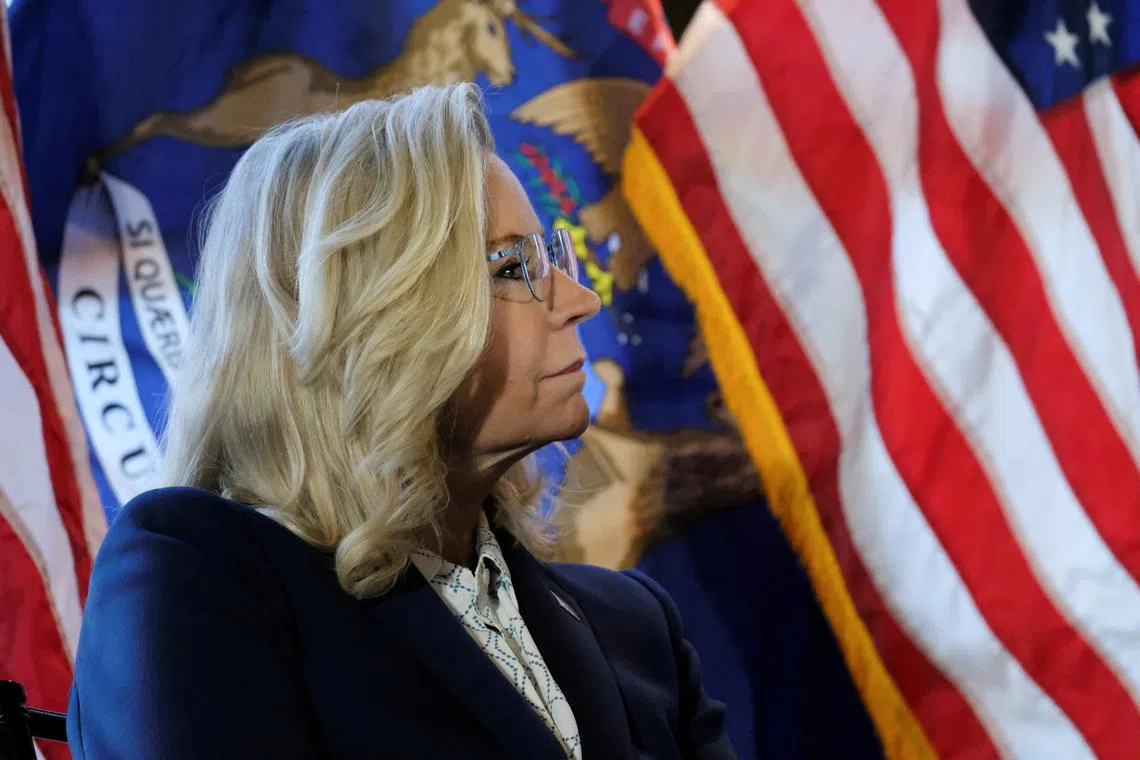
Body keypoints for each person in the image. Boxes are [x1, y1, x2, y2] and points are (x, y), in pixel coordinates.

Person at [66, 83, 734, 760]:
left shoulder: (638, 630)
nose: (582, 300)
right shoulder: (195, 580)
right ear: (363, 322)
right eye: (512, 267)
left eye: (546, 257)